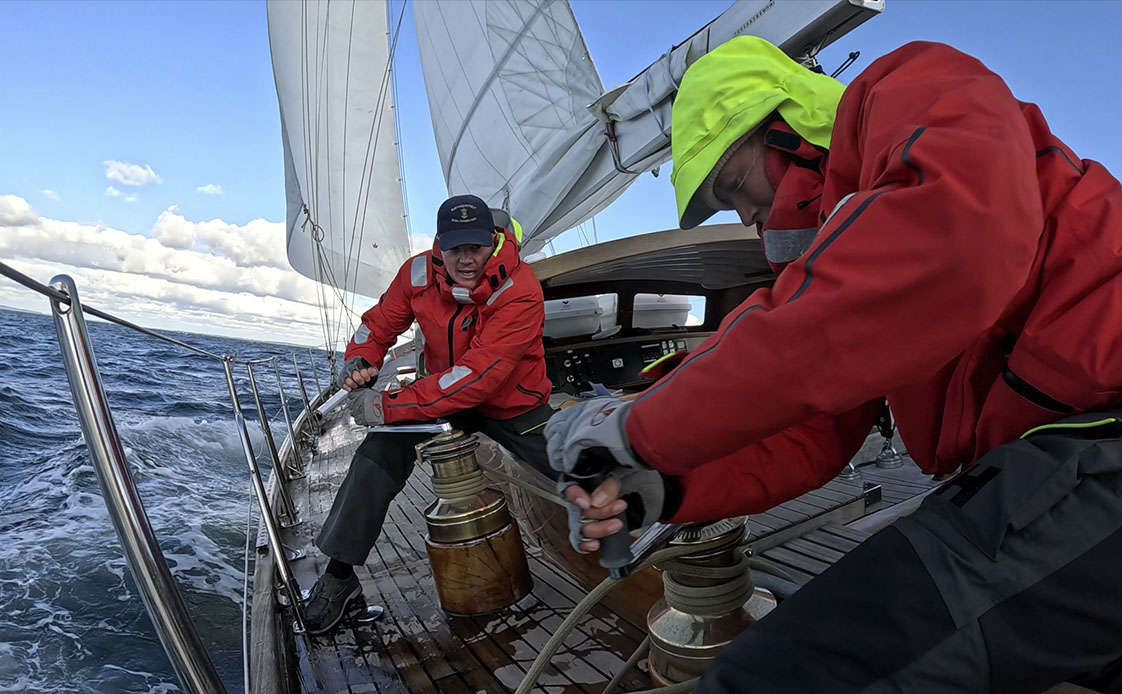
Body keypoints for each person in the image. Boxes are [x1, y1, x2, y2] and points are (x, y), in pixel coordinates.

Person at [546, 36, 1122, 692]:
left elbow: (959, 244)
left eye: (735, 183)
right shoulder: (842, 266)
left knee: (771, 677)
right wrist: (667, 484)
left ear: (789, 128)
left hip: (1103, 434)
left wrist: (637, 427)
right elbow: (812, 428)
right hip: (1063, 459)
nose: (745, 215)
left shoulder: (911, 85)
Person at [305, 194, 555, 635]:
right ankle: (338, 580)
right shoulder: (417, 273)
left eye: (475, 247)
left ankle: (641, 527)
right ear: (440, 243)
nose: (465, 259)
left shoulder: (521, 291)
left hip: (509, 401)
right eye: (455, 247)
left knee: (570, 459)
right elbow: (377, 324)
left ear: (493, 241)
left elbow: (478, 376)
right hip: (438, 398)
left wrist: (384, 405)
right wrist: (360, 358)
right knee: (374, 461)